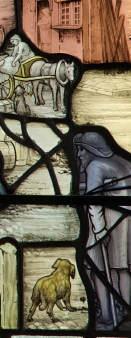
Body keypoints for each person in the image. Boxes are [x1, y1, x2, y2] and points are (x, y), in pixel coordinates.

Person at [73, 131, 131, 330]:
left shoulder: (95, 166)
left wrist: (100, 231)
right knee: (123, 269)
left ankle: (110, 316)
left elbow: (93, 201)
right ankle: (124, 311)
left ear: (91, 150)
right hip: (128, 221)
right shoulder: (124, 161)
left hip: (112, 224)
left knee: (102, 268)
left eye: (81, 149)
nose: (79, 154)